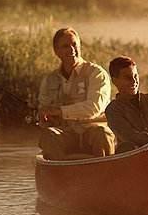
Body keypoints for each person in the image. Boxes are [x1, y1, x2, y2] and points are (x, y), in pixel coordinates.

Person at [37, 27, 115, 160]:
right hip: (66, 133)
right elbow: (44, 109)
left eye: (74, 45)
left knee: (102, 134)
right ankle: (62, 174)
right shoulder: (49, 80)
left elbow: (94, 108)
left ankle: (104, 174)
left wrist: (59, 111)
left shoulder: (96, 73)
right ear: (56, 51)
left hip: (93, 130)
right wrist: (44, 117)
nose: (72, 50)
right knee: (48, 135)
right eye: (65, 46)